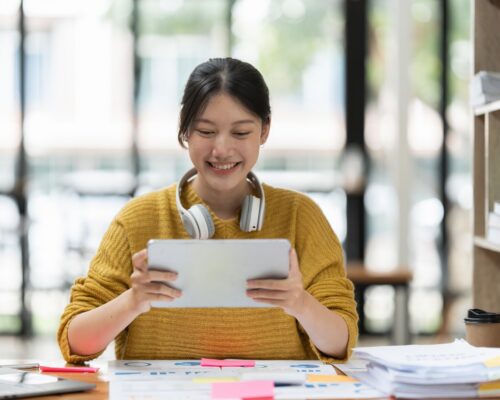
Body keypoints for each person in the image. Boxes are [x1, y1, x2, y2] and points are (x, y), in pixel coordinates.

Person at [58, 57, 358, 364]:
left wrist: (301, 303)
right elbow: (75, 341)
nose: (222, 149)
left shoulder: (302, 216)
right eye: (205, 131)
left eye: (241, 133)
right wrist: (134, 300)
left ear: (264, 131)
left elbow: (340, 342)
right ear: (184, 130)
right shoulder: (136, 220)